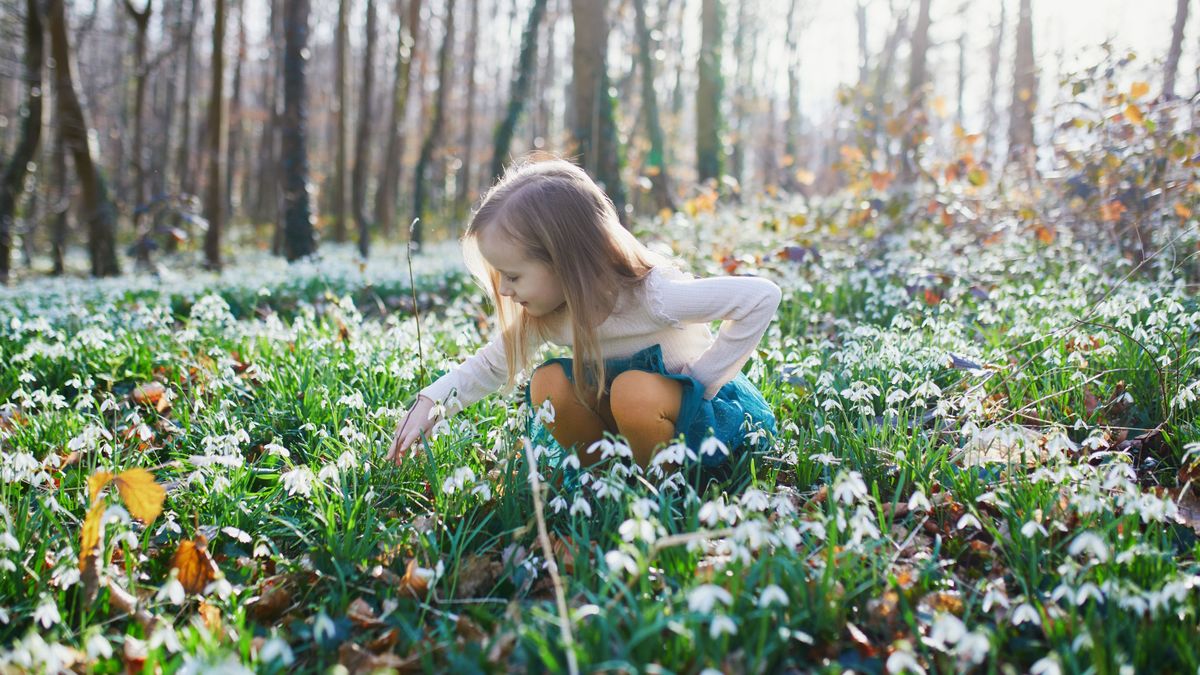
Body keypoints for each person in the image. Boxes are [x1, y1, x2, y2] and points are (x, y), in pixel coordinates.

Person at [386, 157, 780, 471]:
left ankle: (662, 492)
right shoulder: (548, 314)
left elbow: (761, 297)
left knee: (632, 392)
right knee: (548, 383)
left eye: (513, 276)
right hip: (624, 421)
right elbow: (489, 365)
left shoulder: (652, 294)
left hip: (696, 424)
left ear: (565, 261)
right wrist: (430, 403)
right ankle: (604, 483)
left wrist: (701, 381)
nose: (504, 290)